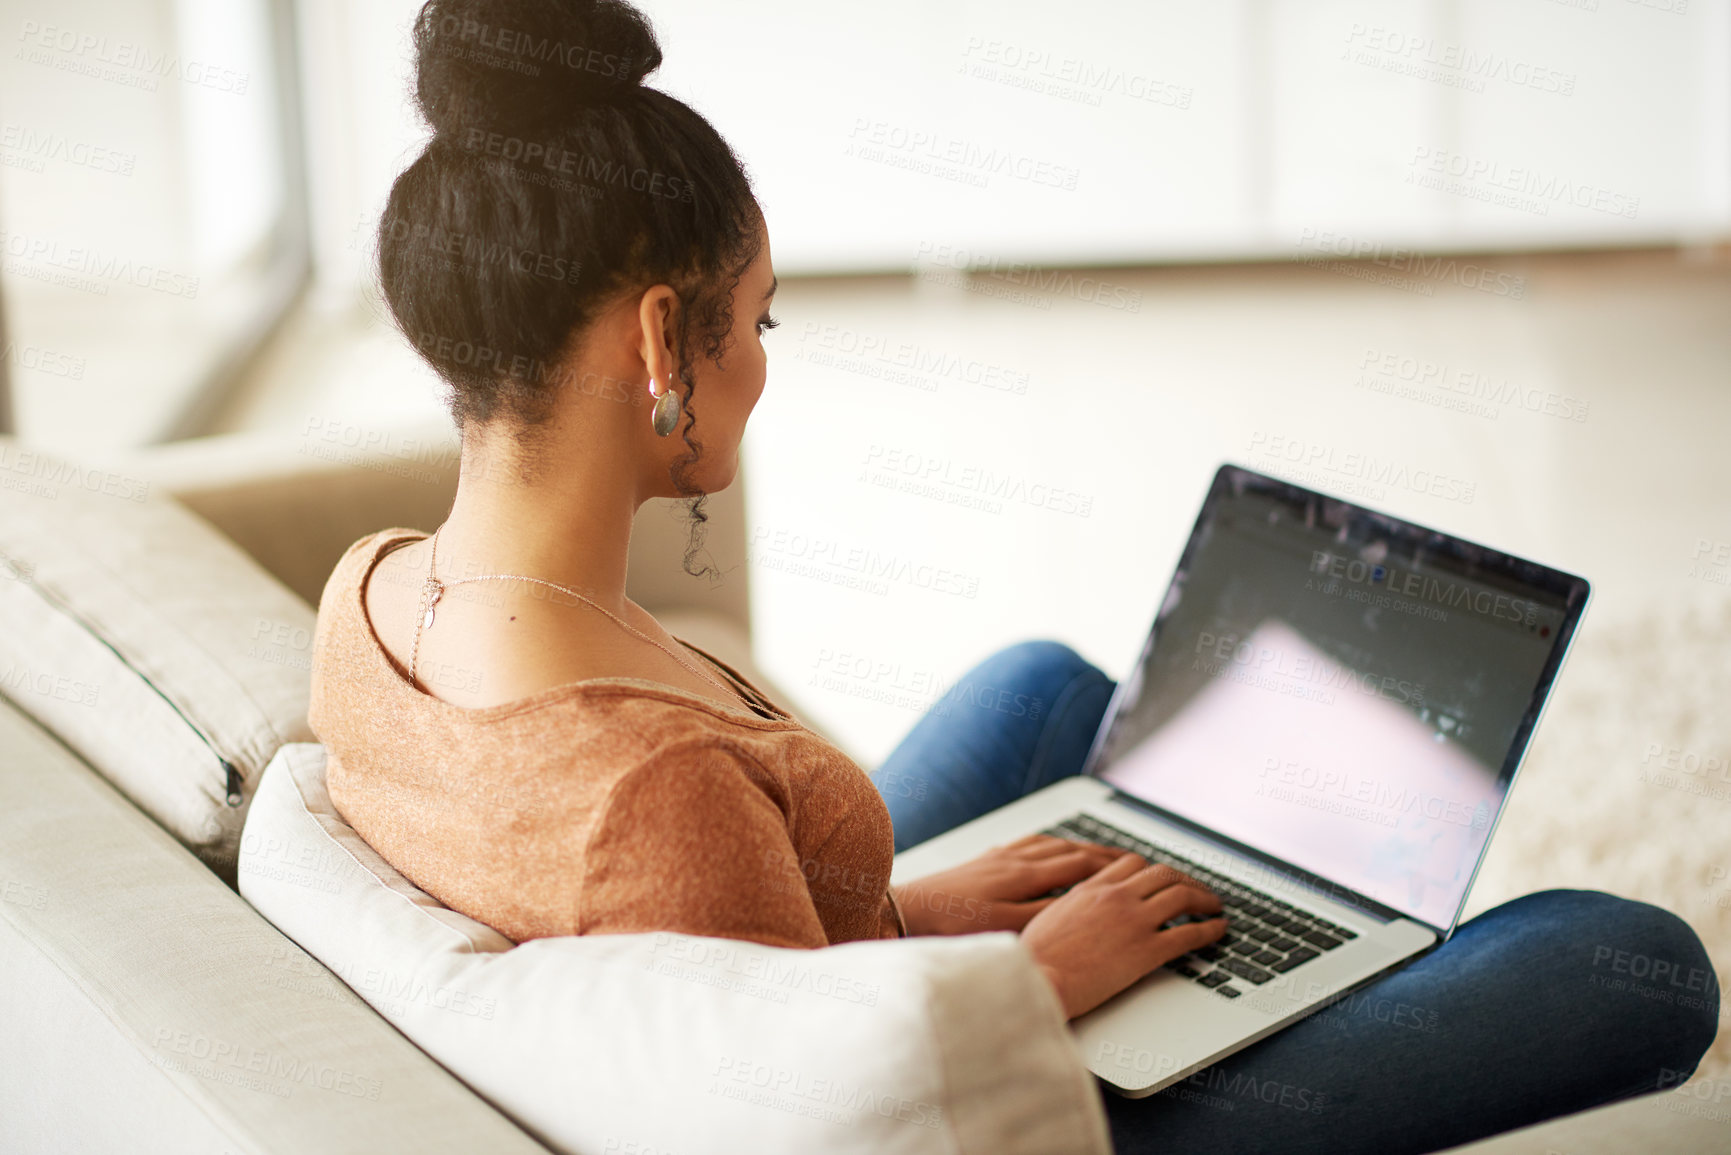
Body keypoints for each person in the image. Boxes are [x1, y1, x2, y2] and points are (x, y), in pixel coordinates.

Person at [307, 2, 1720, 1150]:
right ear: (664, 344)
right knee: (1633, 962)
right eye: (758, 320)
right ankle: (1293, 970)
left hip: (805, 986)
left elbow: (719, 971)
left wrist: (912, 916)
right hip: (1003, 1113)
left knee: (1045, 689)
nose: (761, 364)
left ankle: (1277, 930)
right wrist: (1038, 980)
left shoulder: (375, 592)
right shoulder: (649, 793)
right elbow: (832, 1114)